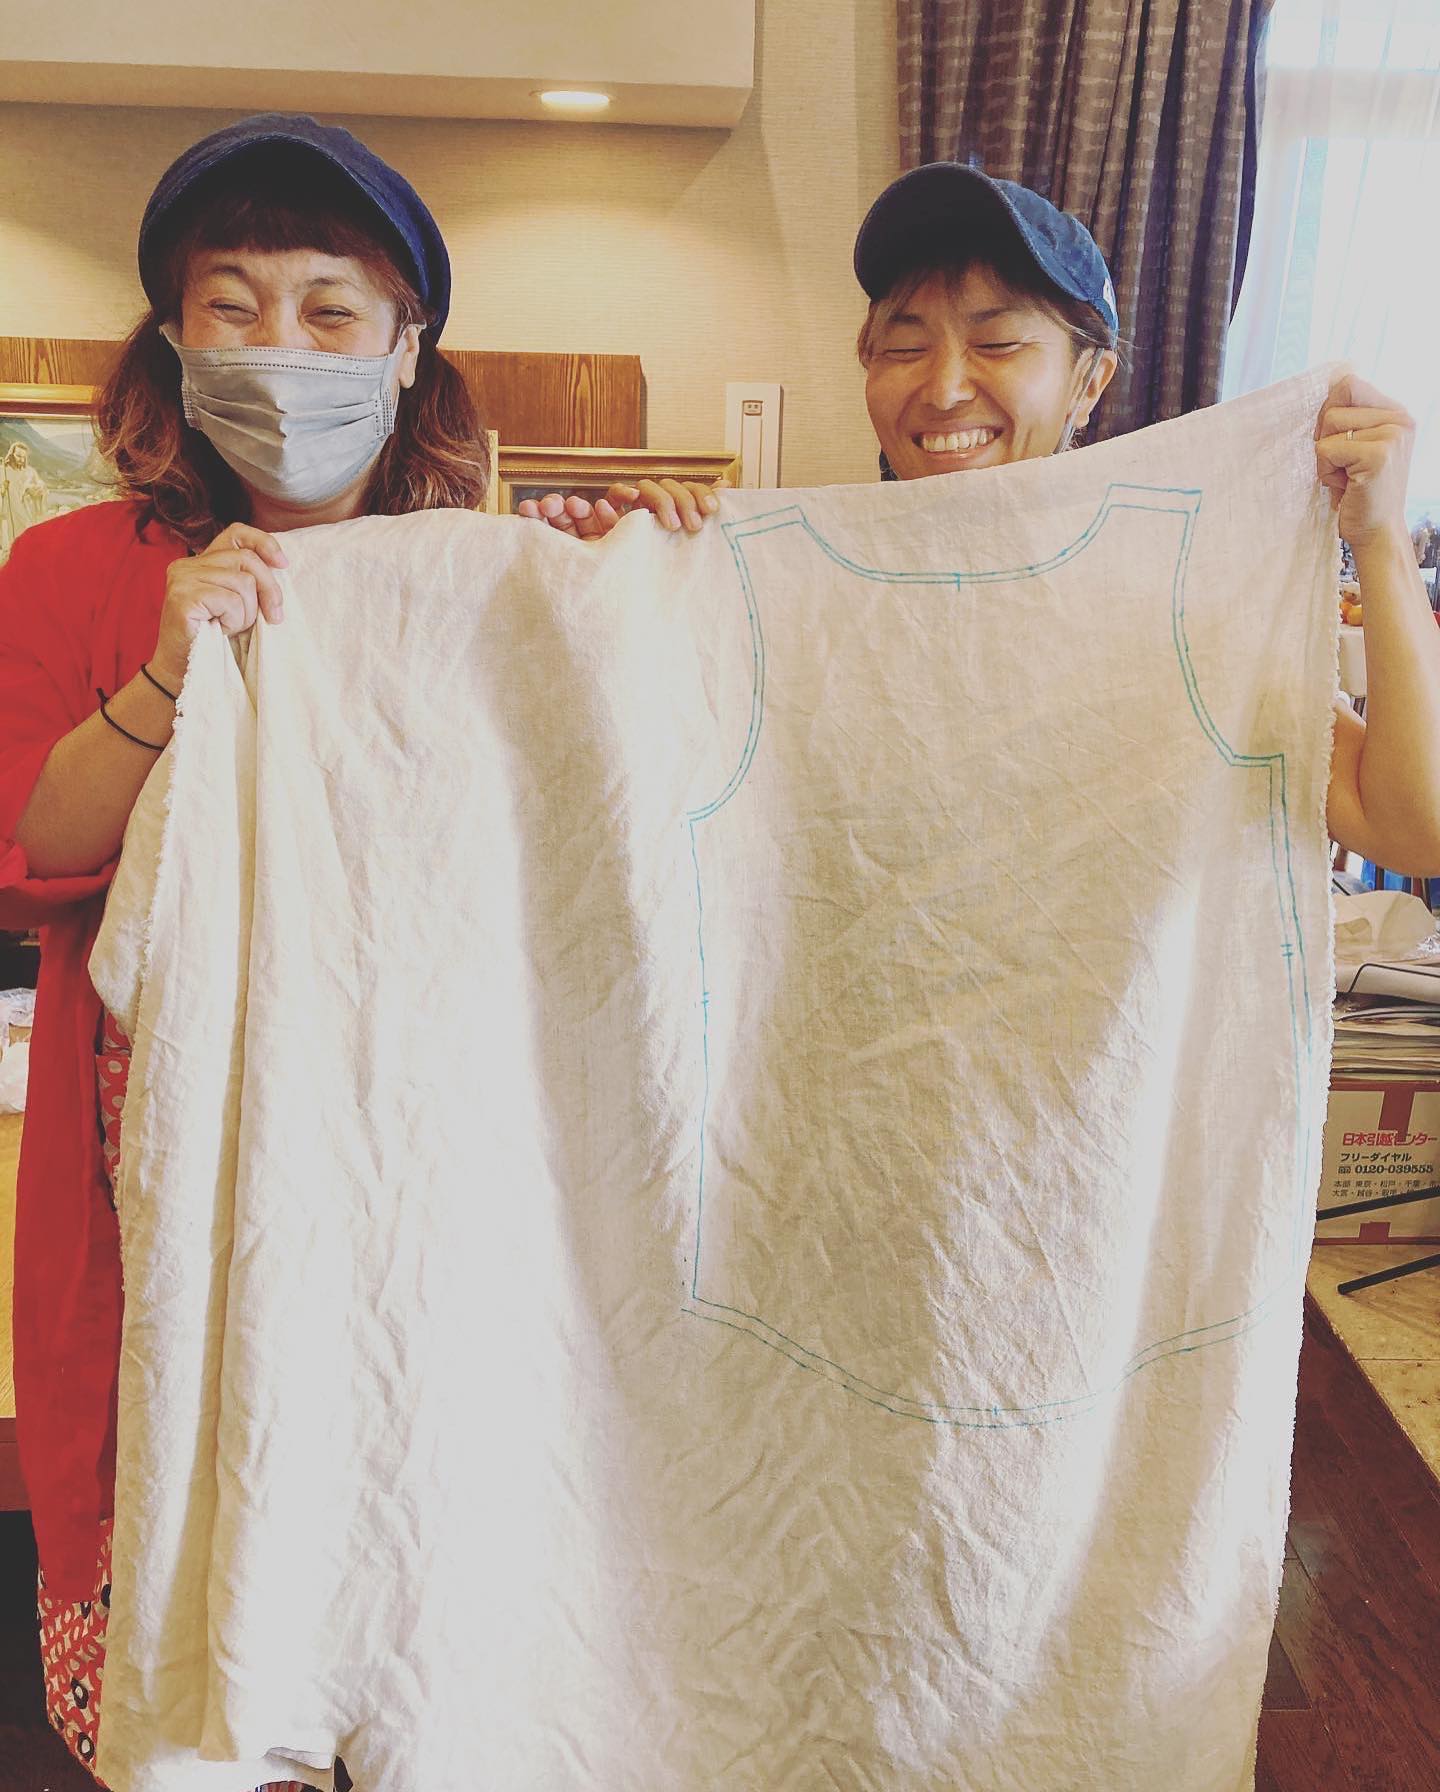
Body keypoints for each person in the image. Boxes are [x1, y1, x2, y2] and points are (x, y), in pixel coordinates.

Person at [0, 112, 486, 1790]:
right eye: (234, 304)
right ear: (174, 337)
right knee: (191, 1685)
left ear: (408, 348)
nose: (282, 345)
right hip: (149, 1207)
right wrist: (166, 666)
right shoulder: (74, 568)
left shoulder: (475, 580)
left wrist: (628, 579)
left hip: (409, 1206)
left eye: (331, 310)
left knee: (420, 1645)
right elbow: (31, 851)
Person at [535, 161, 1440, 875]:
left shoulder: (1173, 601)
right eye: (903, 345)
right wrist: (605, 584)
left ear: (1091, 380)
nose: (943, 388)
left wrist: (1381, 542)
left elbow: (1414, 827)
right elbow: (597, 802)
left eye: (998, 342)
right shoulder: (787, 594)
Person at [0, 439, 49, 558]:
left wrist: (35, 488)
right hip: (10, 510)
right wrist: (2, 488)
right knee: (12, 537)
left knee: (26, 532)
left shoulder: (29, 471)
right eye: (18, 456)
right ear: (11, 454)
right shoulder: (3, 471)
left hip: (26, 509)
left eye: (23, 457)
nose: (21, 460)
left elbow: (41, 485)